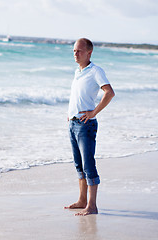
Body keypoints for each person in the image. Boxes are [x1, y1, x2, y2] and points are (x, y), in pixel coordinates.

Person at [64, 38, 115, 216]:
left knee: (88, 165)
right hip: (73, 123)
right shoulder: (78, 72)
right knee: (78, 165)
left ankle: (92, 206)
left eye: (79, 51)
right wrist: (70, 116)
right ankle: (82, 200)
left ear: (89, 53)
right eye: (74, 51)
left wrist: (93, 112)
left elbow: (109, 92)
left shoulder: (95, 71)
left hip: (86, 125)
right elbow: (77, 97)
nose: (75, 54)